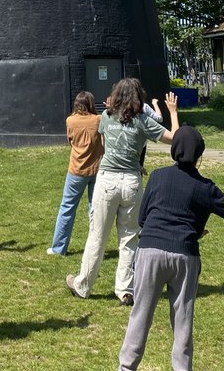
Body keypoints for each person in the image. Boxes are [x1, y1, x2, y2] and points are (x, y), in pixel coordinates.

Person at [109, 125, 224, 371]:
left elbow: (144, 218)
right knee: (182, 323)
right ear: (199, 155)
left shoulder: (159, 177)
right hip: (185, 256)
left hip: (150, 252)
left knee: (140, 318)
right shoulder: (205, 187)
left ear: (174, 151)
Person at [66, 80, 179, 304]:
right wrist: (173, 112)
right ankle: (125, 290)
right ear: (139, 97)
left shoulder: (106, 117)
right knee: (129, 239)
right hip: (132, 182)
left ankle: (83, 285)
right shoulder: (144, 121)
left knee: (97, 235)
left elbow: (108, 144)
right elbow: (176, 140)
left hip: (107, 180)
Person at [48, 92, 103, 255]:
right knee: (95, 210)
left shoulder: (70, 121)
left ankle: (59, 248)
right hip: (96, 169)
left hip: (76, 170)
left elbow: (70, 141)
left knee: (67, 207)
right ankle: (95, 249)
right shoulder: (98, 120)